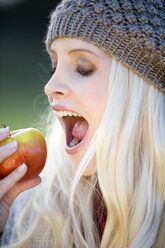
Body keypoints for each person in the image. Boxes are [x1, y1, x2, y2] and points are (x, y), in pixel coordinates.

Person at [1, 0, 165, 247]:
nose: (50, 87)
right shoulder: (36, 212)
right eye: (53, 68)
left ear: (138, 91)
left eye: (83, 68)